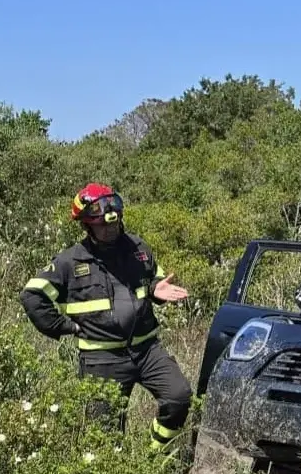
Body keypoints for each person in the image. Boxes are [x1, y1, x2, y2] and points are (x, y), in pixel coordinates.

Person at [20, 183, 194, 452]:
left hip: (147, 350)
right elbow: (32, 295)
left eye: (114, 223)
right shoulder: (70, 262)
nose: (111, 228)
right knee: (105, 436)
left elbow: (154, 278)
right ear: (87, 226)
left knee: (179, 396)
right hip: (102, 360)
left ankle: (154, 457)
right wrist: (62, 326)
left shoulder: (138, 248)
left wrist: (155, 289)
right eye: (103, 225)